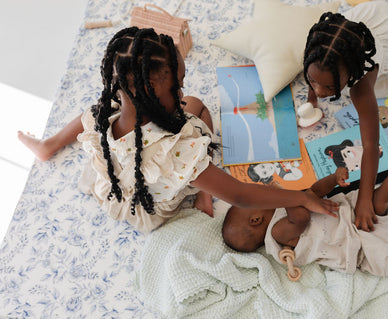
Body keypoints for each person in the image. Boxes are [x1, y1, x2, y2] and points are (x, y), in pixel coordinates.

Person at [18, 27, 339, 233]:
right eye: (178, 86)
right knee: (199, 106)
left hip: (114, 188)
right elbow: (241, 195)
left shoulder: (106, 112)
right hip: (152, 206)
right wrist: (303, 197)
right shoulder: (175, 153)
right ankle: (202, 191)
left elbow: (100, 112)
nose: (183, 92)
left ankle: (50, 144)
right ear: (148, 87)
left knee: (100, 109)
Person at [222, 140, 388, 282]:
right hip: (356, 247)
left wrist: (334, 178)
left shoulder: (284, 203)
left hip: (353, 216)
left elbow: (314, 191)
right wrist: (289, 197)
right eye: (255, 199)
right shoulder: (278, 233)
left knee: (378, 198)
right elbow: (300, 217)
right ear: (256, 219)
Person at [303, 0, 388, 232]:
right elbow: (315, 74)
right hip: (365, 17)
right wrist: (311, 99)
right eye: (314, 81)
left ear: (351, 74)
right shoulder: (319, 53)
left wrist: (364, 200)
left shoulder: (361, 86)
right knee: (320, 74)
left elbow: (371, 145)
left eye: (330, 87)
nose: (321, 92)